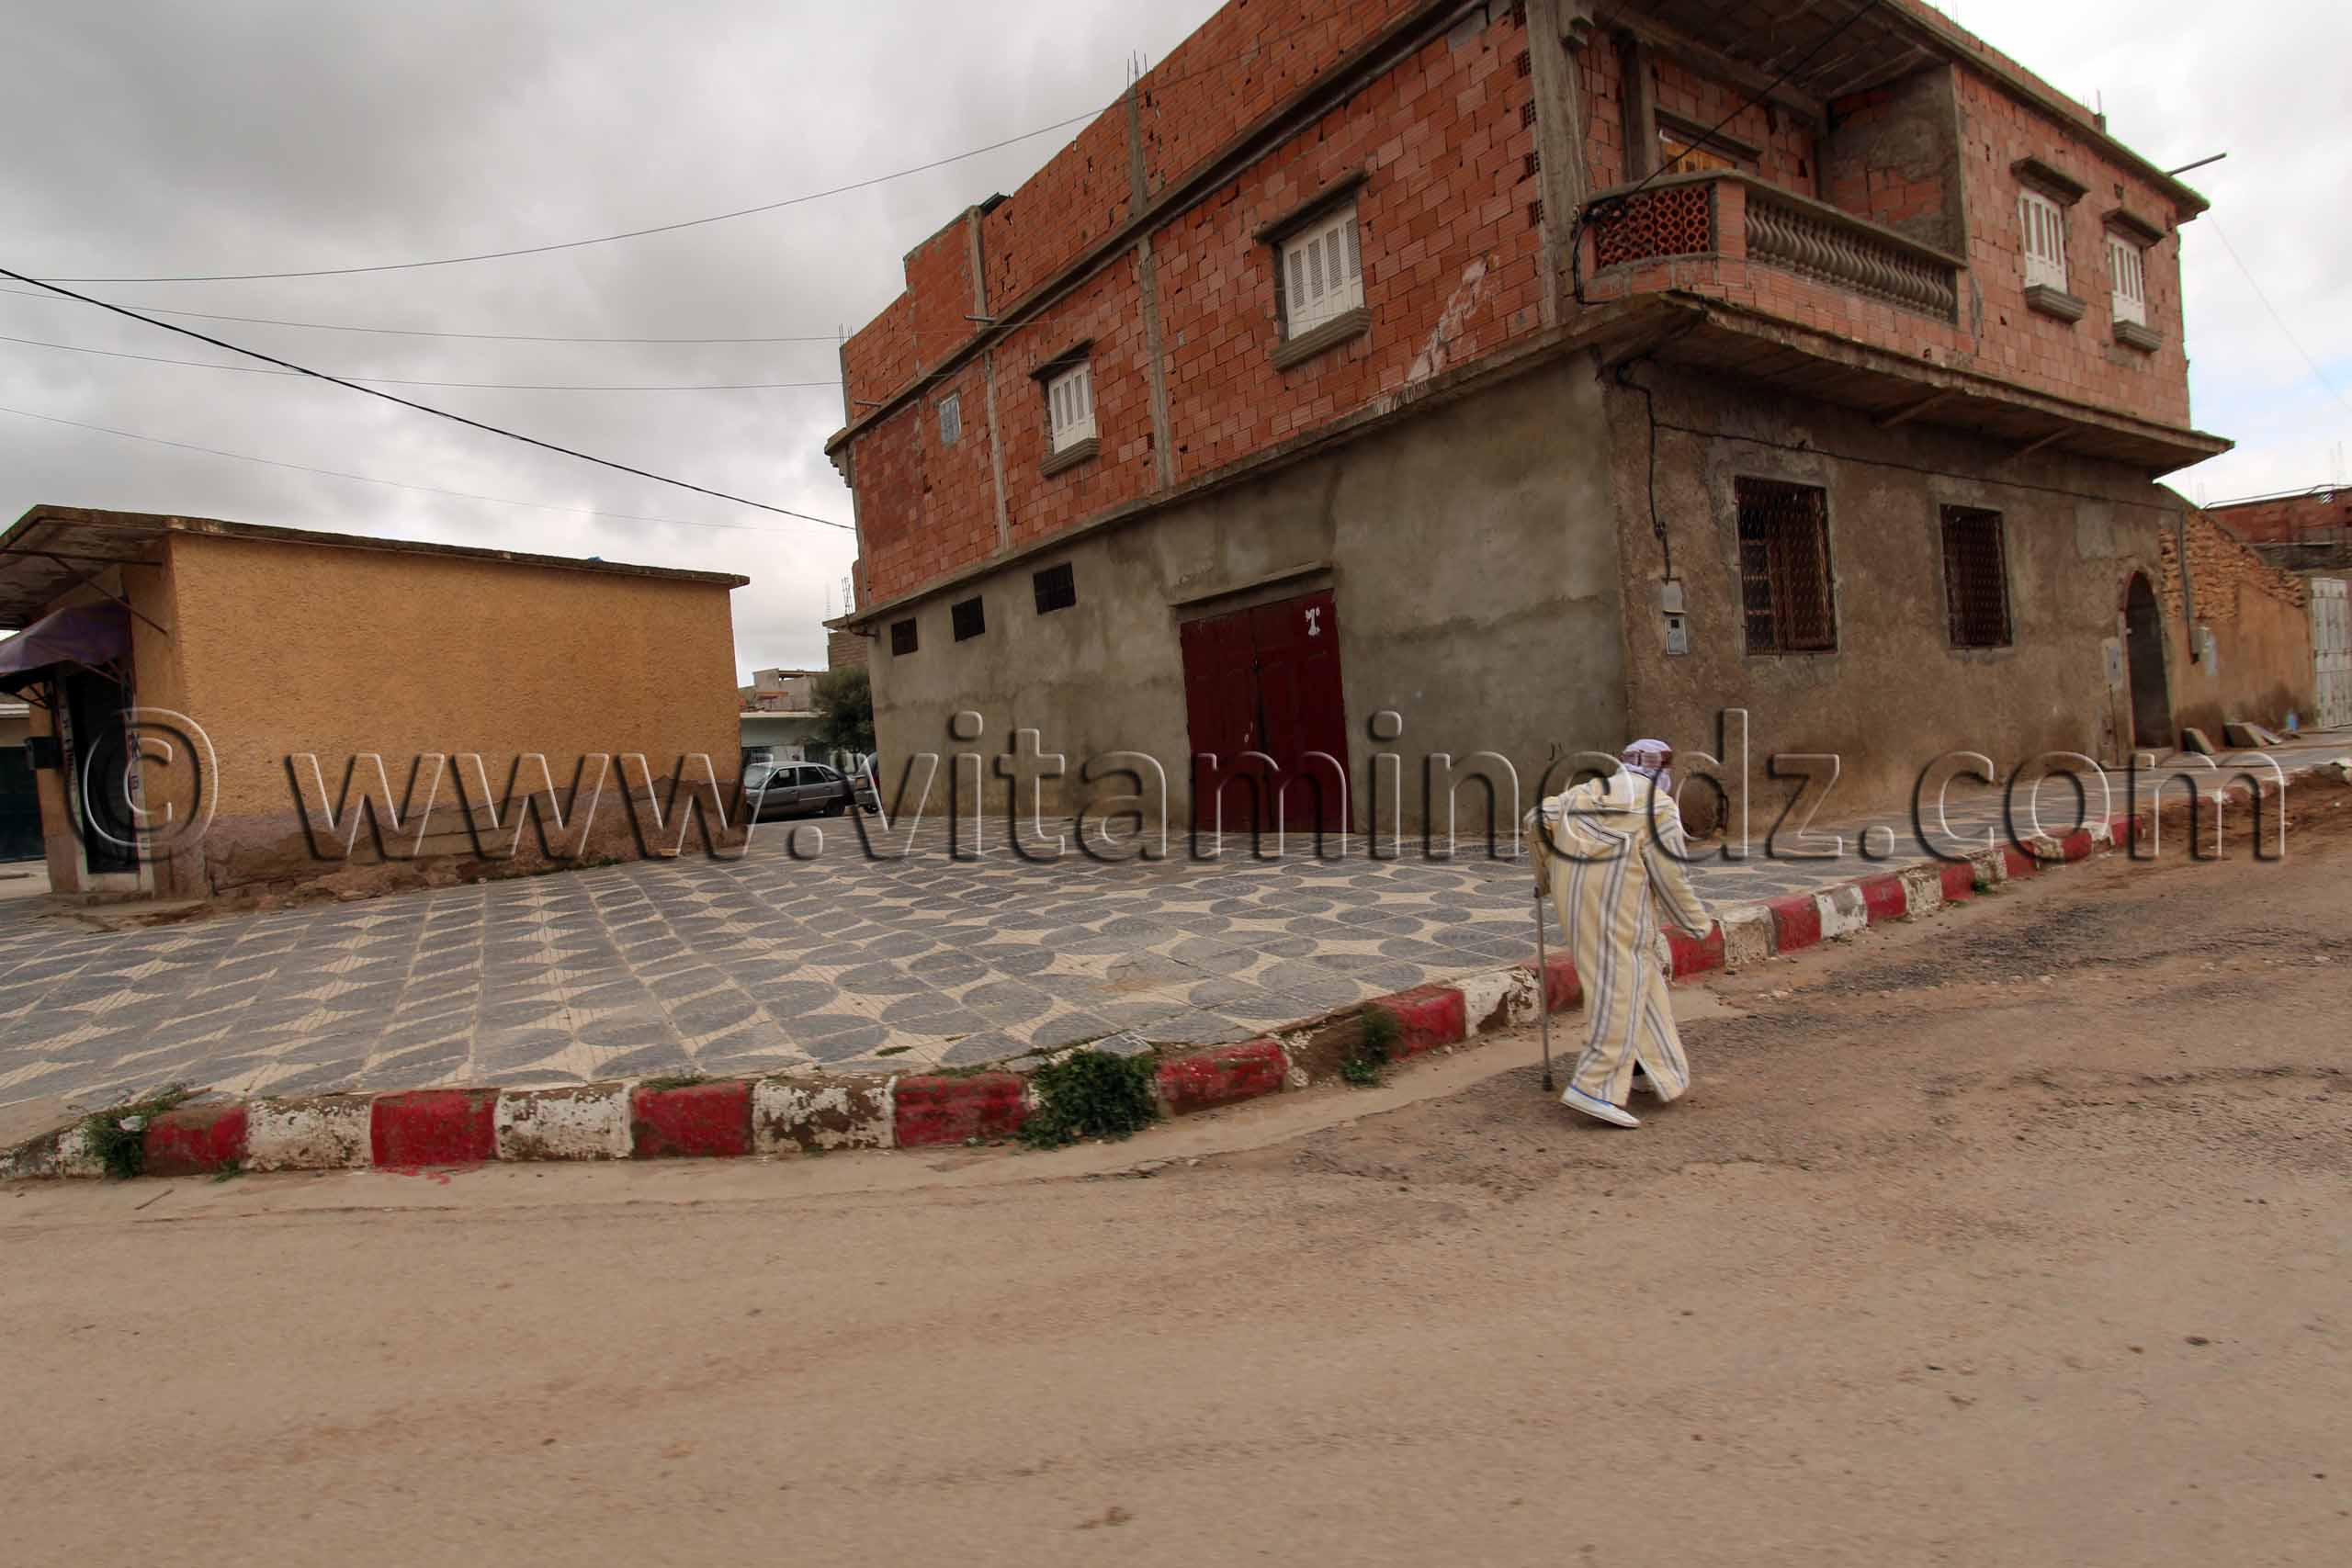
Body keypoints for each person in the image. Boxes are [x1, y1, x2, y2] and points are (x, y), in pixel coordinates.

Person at [1532, 739, 1713, 1129]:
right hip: (1618, 912)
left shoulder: (1584, 792)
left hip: (1575, 906)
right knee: (1619, 991)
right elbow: (1671, 876)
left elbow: (1538, 817)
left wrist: (1546, 874)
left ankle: (1651, 1070)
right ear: (1662, 771)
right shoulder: (1658, 807)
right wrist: (1696, 923)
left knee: (1641, 988)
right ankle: (1594, 1087)